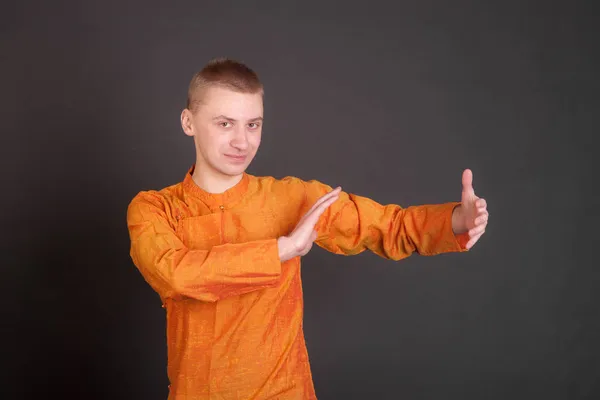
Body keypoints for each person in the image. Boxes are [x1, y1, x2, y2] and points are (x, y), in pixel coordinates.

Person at [126, 58, 489, 400]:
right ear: (188, 122)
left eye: (253, 124)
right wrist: (281, 250)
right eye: (225, 124)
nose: (242, 141)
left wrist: (456, 220)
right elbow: (176, 273)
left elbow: (387, 226)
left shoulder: (293, 198)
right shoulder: (154, 208)